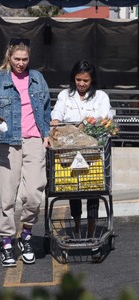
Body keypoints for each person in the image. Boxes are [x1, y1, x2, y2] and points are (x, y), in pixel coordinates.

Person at [0, 37, 51, 267]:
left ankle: (25, 236)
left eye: (25, 59)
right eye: (17, 59)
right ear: (9, 56)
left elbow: (46, 109)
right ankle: (7, 242)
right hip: (7, 142)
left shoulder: (37, 78)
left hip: (35, 140)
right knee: (7, 196)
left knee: (34, 193)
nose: (21, 63)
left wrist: (46, 134)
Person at [50, 60, 112, 238]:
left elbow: (104, 118)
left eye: (86, 80)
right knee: (73, 188)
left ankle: (92, 231)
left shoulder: (100, 97)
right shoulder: (65, 95)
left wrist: (92, 124)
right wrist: (55, 120)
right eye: (78, 80)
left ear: (92, 81)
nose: (82, 84)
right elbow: (57, 112)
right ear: (73, 79)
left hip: (92, 152)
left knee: (92, 189)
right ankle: (77, 227)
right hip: (70, 149)